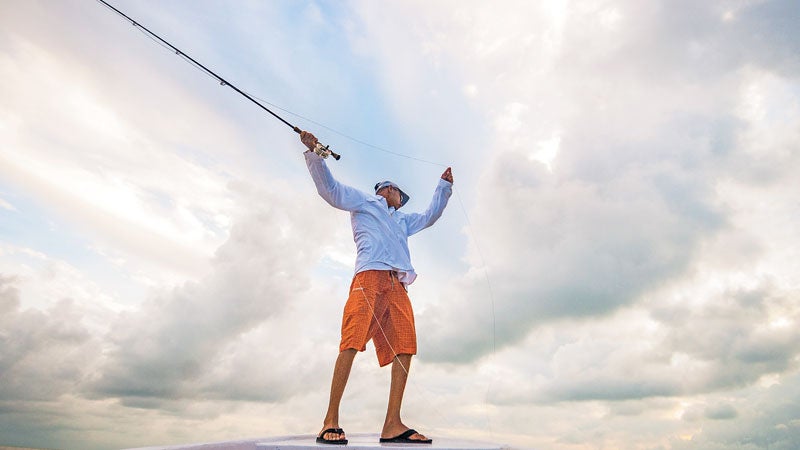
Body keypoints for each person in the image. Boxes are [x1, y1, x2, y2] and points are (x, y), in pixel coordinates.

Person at [300, 131, 453, 445]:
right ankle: (330, 419)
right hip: (369, 277)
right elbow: (330, 190)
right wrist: (315, 153)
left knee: (405, 347)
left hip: (397, 283)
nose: (401, 201)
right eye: (400, 195)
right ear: (390, 189)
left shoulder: (401, 221)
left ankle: (392, 424)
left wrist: (444, 187)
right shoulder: (364, 201)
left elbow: (430, 216)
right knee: (352, 340)